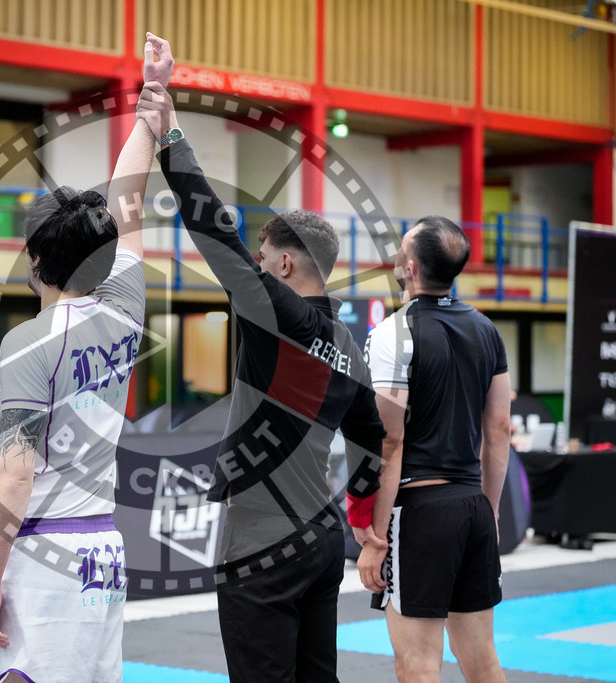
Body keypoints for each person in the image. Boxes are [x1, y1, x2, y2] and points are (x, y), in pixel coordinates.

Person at [137, 57, 386, 681]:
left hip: (262, 541)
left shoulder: (280, 317)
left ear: (281, 268)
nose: (252, 261)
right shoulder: (348, 344)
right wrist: (364, 517)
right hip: (322, 538)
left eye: (262, 254)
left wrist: (170, 135)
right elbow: (371, 441)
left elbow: (214, 232)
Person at [0, 35, 172, 683]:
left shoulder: (29, 343)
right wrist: (152, 101)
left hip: (47, 555)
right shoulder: (125, 302)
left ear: (33, 258)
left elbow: (14, 475)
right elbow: (129, 194)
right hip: (105, 550)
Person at [357, 215, 512, 682]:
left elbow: (390, 439)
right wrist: (491, 510)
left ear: (409, 266)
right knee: (482, 659)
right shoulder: (486, 329)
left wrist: (375, 536)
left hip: (420, 512)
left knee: (418, 666)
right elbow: (500, 428)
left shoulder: (391, 334)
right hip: (473, 507)